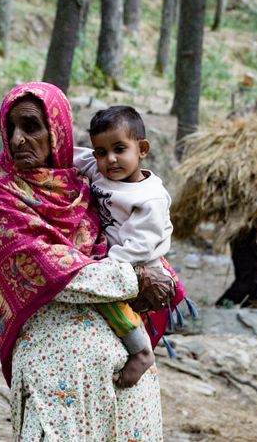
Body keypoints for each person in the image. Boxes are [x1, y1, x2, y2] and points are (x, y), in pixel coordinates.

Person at [0, 82, 174, 440]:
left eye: (31, 126)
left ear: (57, 131)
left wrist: (157, 274)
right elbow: (53, 272)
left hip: (123, 373)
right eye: (11, 128)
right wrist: (135, 279)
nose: (18, 139)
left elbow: (134, 233)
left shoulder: (88, 179)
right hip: (55, 375)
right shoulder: (2, 191)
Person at [73, 106, 178, 388]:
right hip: (114, 255)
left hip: (140, 261)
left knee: (109, 300)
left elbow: (140, 244)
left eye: (120, 149)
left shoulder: (149, 197)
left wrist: (106, 267)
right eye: (101, 152)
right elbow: (72, 155)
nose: (110, 159)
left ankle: (141, 351)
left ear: (142, 149)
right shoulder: (101, 169)